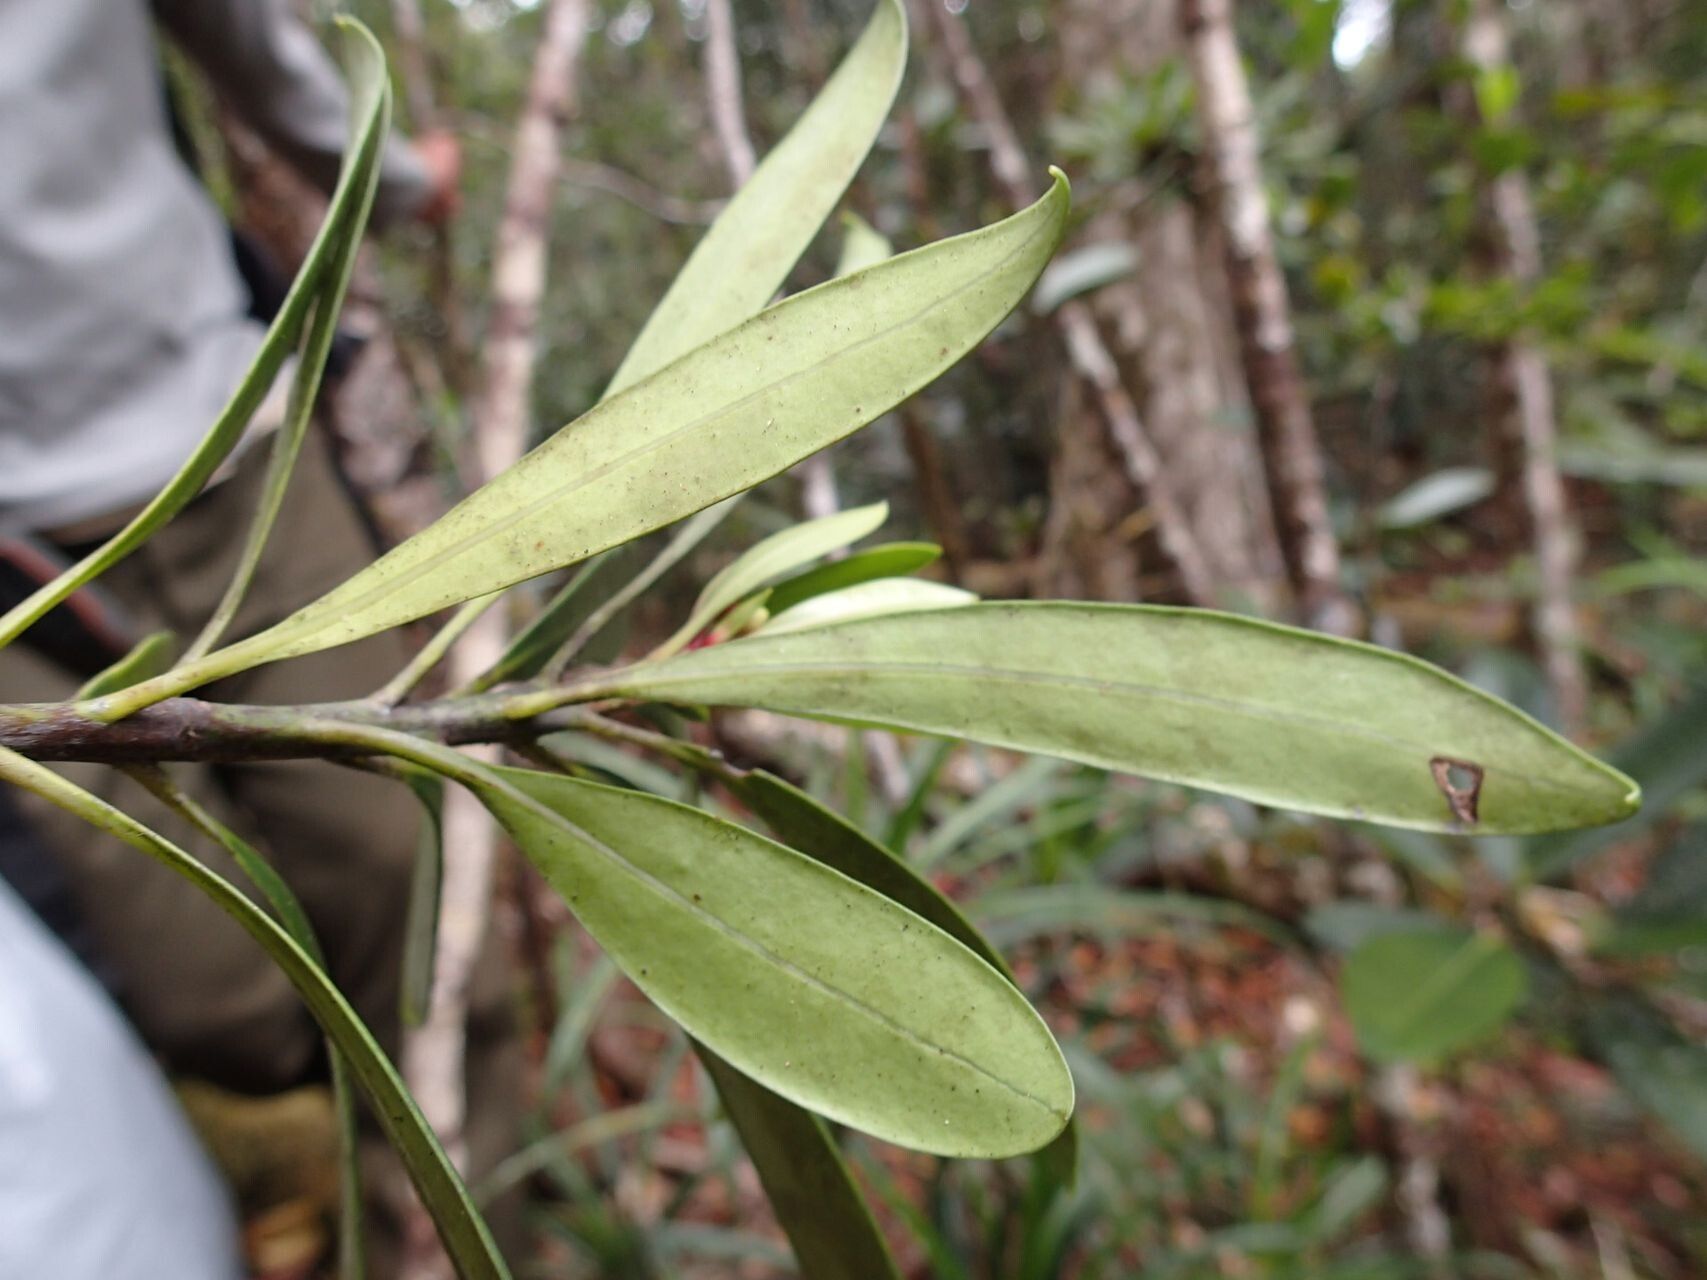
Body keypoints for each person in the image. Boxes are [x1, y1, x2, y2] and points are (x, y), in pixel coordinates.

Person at [0, 1, 522, 1275]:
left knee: (397, 877)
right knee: (212, 992)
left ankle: (473, 1230)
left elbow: (255, 45)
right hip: (14, 568)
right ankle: (315, 1175)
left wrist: (397, 180)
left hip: (227, 452)